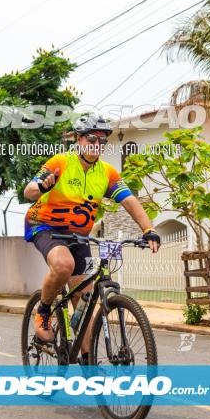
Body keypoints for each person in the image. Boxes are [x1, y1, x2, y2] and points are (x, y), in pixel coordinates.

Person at [23, 115, 161, 363]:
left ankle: (87, 362)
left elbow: (129, 201)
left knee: (85, 301)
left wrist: (148, 229)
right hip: (44, 226)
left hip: (78, 236)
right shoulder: (61, 163)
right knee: (64, 265)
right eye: (92, 138)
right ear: (79, 139)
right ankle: (43, 310)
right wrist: (42, 187)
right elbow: (29, 191)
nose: (97, 143)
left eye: (103, 140)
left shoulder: (107, 173)